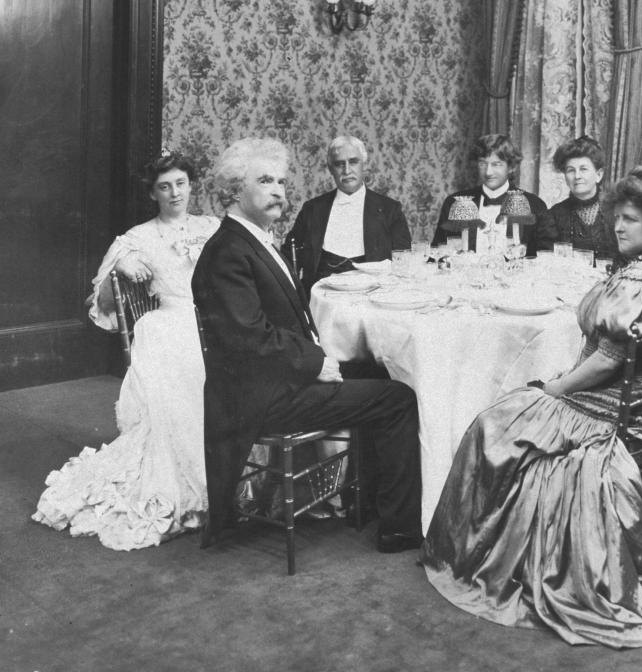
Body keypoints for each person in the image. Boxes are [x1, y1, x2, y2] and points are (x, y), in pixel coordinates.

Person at [421, 170, 642, 649]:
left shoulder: (639, 281)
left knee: (494, 425)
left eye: (630, 220)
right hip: (641, 406)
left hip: (609, 413)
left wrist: (554, 389)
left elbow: (608, 359)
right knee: (503, 418)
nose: (620, 228)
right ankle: (476, 546)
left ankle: (472, 556)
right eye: (618, 219)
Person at [192, 138, 422, 553]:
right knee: (399, 398)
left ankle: (364, 500)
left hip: (275, 382)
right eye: (265, 181)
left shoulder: (253, 239)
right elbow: (250, 338)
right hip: (262, 398)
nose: (279, 190)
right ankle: (400, 527)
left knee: (380, 372)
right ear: (234, 191)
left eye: (281, 180)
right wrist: (316, 363)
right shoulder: (227, 251)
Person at [32, 150, 220, 550]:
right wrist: (121, 267)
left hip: (218, 319)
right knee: (183, 361)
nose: (174, 193)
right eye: (165, 187)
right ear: (153, 193)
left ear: (191, 185)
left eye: (181, 184)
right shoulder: (137, 238)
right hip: (173, 322)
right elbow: (101, 301)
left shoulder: (212, 227)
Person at [283, 135, 411, 292]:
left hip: (374, 292)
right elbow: (289, 255)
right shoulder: (312, 209)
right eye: (339, 164)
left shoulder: (390, 209)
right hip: (322, 292)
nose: (347, 170)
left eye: (353, 162)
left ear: (364, 164)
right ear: (331, 169)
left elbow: (404, 260)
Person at [432, 133, 547, 254]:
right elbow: (438, 252)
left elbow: (543, 259)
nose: (488, 172)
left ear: (511, 167)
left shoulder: (534, 205)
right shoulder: (455, 203)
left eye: (496, 164)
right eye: (483, 164)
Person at [537, 135, 618, 259]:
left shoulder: (615, 211)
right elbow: (547, 264)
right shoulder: (553, 216)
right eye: (571, 170)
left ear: (599, 175)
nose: (577, 176)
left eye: (583, 169)